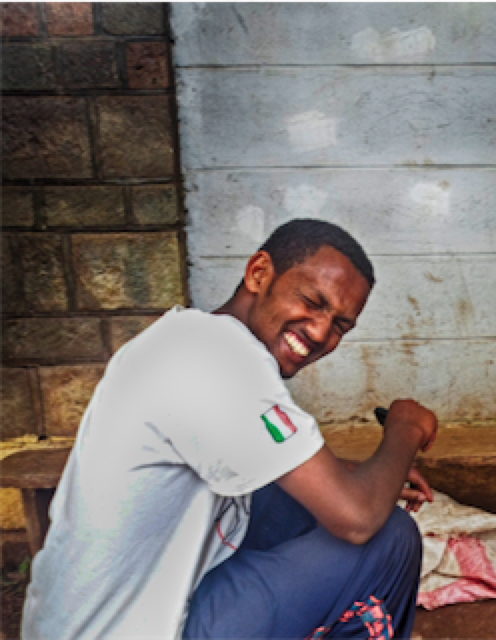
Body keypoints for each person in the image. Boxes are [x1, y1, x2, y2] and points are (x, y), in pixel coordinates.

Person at [22, 219, 438, 639]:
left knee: (279, 499)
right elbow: (357, 518)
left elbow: (273, 460)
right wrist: (405, 430)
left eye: (340, 326)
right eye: (313, 301)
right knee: (388, 537)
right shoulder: (222, 358)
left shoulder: (188, 339)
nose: (320, 332)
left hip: (78, 626)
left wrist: (362, 476)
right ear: (259, 273)